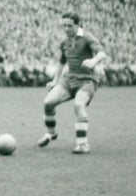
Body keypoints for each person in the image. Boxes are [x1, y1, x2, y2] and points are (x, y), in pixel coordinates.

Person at [38, 12, 106, 154]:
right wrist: (55, 80)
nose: (66, 29)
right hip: (69, 80)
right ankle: (51, 133)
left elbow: (101, 53)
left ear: (77, 25)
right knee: (48, 103)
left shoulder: (87, 37)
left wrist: (93, 61)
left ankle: (83, 144)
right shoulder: (64, 42)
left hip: (87, 80)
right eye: (64, 26)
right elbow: (61, 62)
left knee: (78, 104)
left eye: (69, 26)